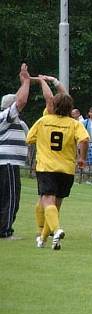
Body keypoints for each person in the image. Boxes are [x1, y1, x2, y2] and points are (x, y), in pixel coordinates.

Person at [26, 84, 89, 250]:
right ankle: (45, 239)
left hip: (47, 167)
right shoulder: (74, 124)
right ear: (70, 108)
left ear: (53, 105)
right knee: (56, 205)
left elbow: (29, 139)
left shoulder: (43, 121)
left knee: (47, 201)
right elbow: (84, 140)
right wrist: (82, 158)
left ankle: (56, 230)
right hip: (66, 169)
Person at [0, 64, 32, 238]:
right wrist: (25, 81)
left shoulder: (13, 121)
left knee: (6, 198)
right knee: (11, 199)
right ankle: (5, 230)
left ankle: (3, 228)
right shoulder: (7, 117)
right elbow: (21, 101)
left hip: (7, 164)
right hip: (8, 164)